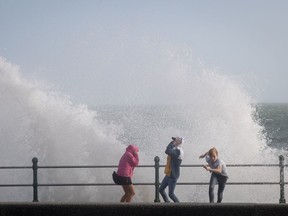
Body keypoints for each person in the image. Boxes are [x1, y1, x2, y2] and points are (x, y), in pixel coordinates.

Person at [159, 136, 184, 203]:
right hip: (168, 174)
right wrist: (174, 142)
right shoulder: (175, 149)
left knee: (171, 194)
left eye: (175, 140)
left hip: (173, 175)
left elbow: (167, 151)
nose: (174, 141)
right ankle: (168, 204)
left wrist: (173, 143)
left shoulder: (178, 151)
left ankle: (180, 208)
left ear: (179, 142)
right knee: (161, 189)